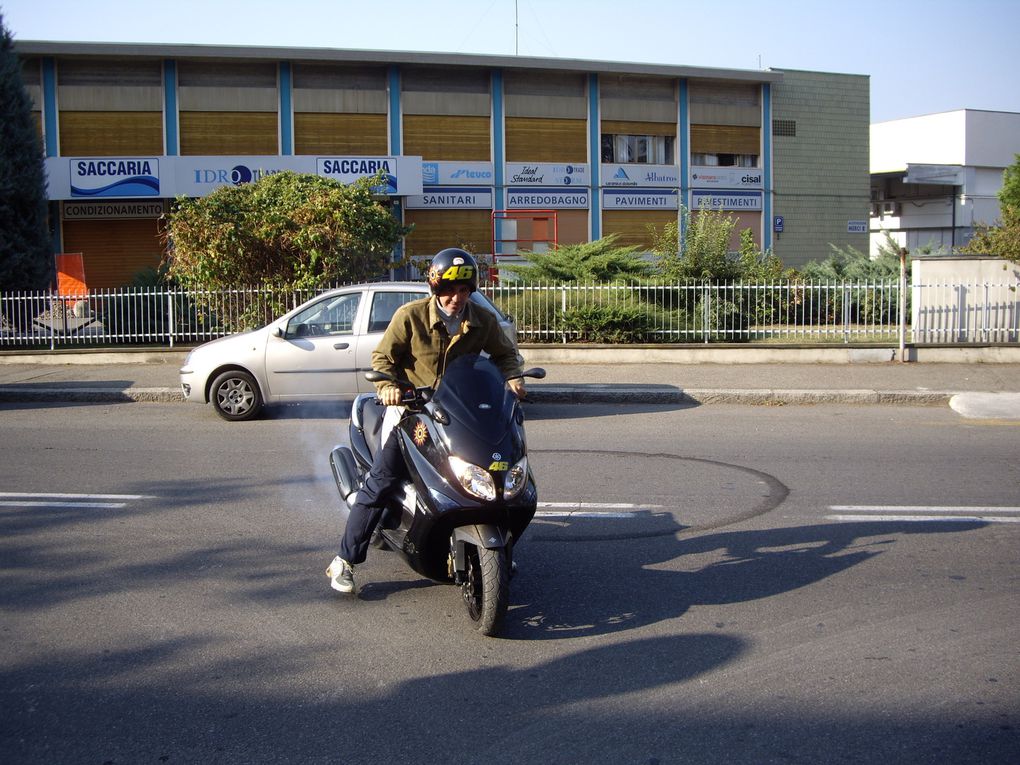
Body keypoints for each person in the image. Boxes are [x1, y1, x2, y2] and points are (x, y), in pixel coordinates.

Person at [327, 248, 526, 593]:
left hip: (456, 416)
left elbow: (505, 355)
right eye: (449, 290)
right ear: (435, 288)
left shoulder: (482, 320)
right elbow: (383, 357)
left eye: (463, 290)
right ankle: (345, 561)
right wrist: (388, 385)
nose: (456, 297)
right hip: (413, 414)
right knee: (382, 482)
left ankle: (498, 545)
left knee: (498, 473)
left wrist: (513, 377)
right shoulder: (411, 316)